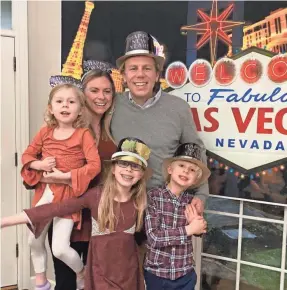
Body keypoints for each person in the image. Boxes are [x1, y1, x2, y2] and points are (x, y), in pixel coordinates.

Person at [2, 137, 151, 290]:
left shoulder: (142, 203)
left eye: (135, 166)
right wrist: (5, 221)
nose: (128, 170)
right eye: (123, 164)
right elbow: (53, 209)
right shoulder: (96, 196)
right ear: (113, 168)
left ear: (141, 174)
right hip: (100, 276)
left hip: (129, 276)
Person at [110, 31, 209, 216]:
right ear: (123, 75)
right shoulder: (111, 106)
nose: (140, 75)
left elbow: (196, 149)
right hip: (119, 204)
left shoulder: (178, 108)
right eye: (133, 69)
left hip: (163, 207)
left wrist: (201, 194)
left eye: (147, 68)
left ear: (157, 75)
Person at [39, 61, 118, 290]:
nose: (101, 97)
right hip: (67, 217)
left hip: (100, 220)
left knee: (97, 282)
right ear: (81, 95)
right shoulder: (59, 133)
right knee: (66, 282)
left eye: (107, 91)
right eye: (94, 90)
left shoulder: (112, 134)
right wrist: (50, 176)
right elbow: (35, 175)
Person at [21, 75, 101, 290]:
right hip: (45, 192)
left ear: (80, 110)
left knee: (60, 249)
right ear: (51, 108)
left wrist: (66, 177)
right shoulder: (45, 132)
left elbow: (94, 166)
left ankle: (81, 272)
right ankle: (41, 281)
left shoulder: (83, 134)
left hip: (68, 197)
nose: (65, 105)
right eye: (59, 101)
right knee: (33, 240)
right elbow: (27, 155)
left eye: (71, 101)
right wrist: (39, 166)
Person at [144, 142, 210, 290]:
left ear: (195, 180)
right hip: (157, 274)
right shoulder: (154, 197)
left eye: (192, 170)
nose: (186, 171)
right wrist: (188, 229)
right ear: (170, 170)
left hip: (184, 274)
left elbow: (201, 229)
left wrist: (199, 228)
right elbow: (153, 237)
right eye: (181, 166)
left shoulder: (192, 201)